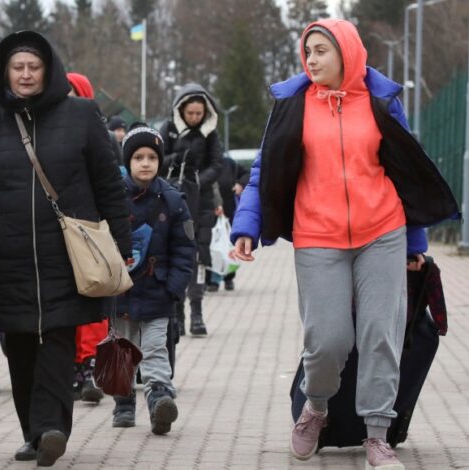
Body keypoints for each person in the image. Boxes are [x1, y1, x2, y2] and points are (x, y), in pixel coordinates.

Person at [230, 19, 458, 470]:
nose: (311, 60)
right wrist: (247, 226)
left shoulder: (380, 100)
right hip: (318, 236)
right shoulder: (293, 105)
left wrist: (415, 243)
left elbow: (405, 169)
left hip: (382, 232)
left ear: (347, 53)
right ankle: (316, 407)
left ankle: (378, 434)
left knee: (381, 334)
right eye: (307, 52)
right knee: (328, 339)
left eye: (321, 51)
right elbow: (264, 169)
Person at [0, 30, 131, 467]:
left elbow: (108, 183)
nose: (26, 74)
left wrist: (121, 240)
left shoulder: (82, 115)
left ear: (49, 70)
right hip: (5, 256)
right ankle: (34, 432)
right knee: (20, 345)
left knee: (58, 338)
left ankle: (52, 428)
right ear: (5, 72)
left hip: (66, 253)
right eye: (18, 67)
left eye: (34, 66)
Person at [112, 124, 194, 435]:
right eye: (138, 158)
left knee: (156, 348)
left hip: (159, 291)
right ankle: (123, 403)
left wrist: (174, 287)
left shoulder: (173, 200)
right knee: (122, 348)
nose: (145, 163)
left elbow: (185, 248)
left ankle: (159, 399)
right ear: (128, 161)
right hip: (121, 292)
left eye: (152, 157)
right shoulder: (113, 198)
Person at [159, 83, 223, 337]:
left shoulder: (210, 134)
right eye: (190, 113)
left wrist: (198, 181)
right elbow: (157, 158)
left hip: (202, 201)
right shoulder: (169, 129)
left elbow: (217, 164)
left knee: (199, 257)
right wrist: (175, 162)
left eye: (199, 113)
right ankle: (177, 314)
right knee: (174, 255)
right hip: (173, 198)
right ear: (181, 110)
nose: (195, 118)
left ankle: (197, 311)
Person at [64, 71, 108, 404]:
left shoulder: (98, 136)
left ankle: (91, 363)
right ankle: (73, 367)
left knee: (92, 296)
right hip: (57, 228)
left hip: (89, 228)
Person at [205, 155, 249, 292]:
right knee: (210, 246)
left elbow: (247, 174)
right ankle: (211, 280)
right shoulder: (203, 163)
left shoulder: (229, 163)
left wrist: (240, 184)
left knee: (227, 245)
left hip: (228, 212)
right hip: (207, 212)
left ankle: (229, 278)